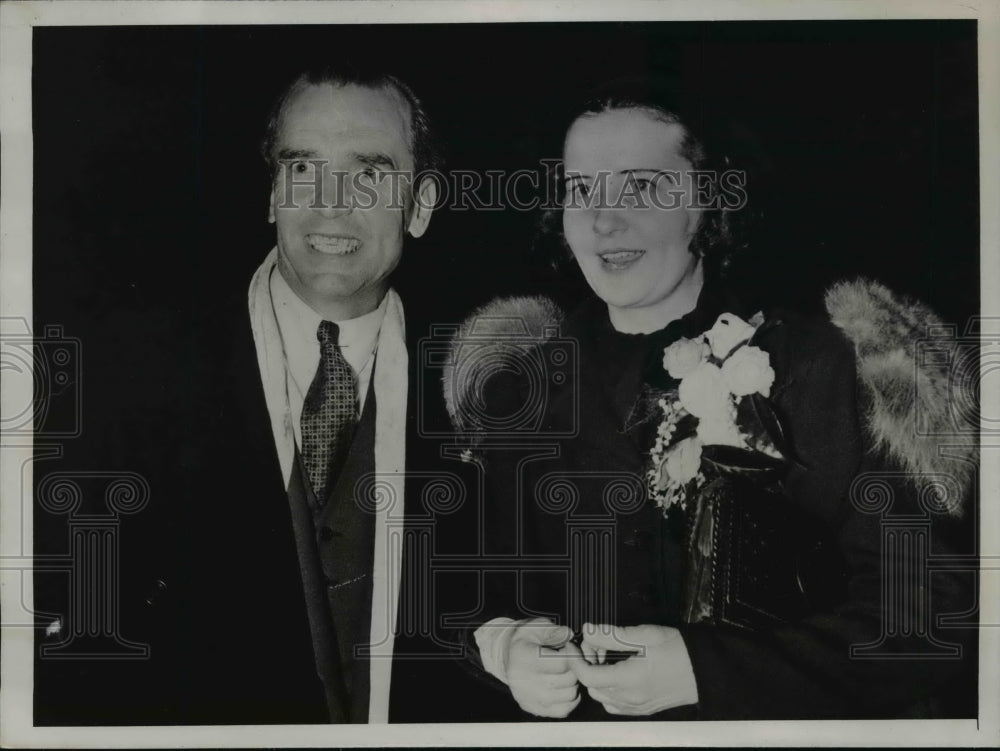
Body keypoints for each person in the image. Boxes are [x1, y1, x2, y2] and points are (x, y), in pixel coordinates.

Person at [443, 78, 977, 720]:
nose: (603, 219)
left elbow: (926, 618)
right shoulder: (516, 390)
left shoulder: (829, 366)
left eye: (640, 186)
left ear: (707, 202)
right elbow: (459, 591)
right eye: (580, 189)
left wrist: (709, 674)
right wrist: (502, 646)